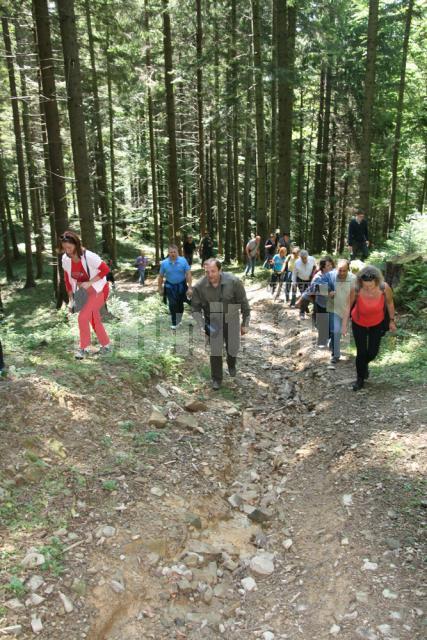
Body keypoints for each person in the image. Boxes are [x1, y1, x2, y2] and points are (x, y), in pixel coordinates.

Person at [191, 259, 250, 390]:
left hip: (232, 315)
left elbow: (244, 303)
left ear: (220, 270)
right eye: (207, 272)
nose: (210, 274)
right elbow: (195, 308)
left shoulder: (233, 282)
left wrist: (245, 322)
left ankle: (231, 363)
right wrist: (201, 324)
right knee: (216, 350)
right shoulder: (199, 286)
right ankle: (216, 378)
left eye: (213, 271)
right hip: (213, 320)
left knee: (232, 347)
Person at [343, 265, 396, 391]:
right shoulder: (356, 289)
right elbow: (347, 307)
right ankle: (360, 379)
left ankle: (364, 365)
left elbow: (390, 303)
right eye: (365, 285)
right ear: (360, 282)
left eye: (370, 285)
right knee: (361, 352)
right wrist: (344, 325)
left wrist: (392, 321)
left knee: (373, 352)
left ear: (376, 281)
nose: (367, 287)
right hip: (359, 322)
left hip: (377, 322)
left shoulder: (384, 288)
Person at [60, 230, 111, 359]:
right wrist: (71, 299)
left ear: (76, 245)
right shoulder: (65, 259)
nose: (67, 250)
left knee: (82, 317)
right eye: (64, 248)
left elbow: (106, 270)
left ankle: (83, 349)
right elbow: (67, 280)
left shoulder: (89, 256)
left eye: (69, 247)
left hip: (99, 289)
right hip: (83, 293)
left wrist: (89, 282)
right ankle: (106, 345)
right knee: (93, 318)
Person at [298, 256, 335, 346]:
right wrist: (329, 292)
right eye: (328, 265)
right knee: (323, 324)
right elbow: (316, 289)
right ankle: (323, 342)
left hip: (332, 304)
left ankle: (330, 342)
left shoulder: (333, 274)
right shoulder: (318, 277)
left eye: (331, 265)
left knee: (331, 325)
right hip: (321, 304)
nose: (330, 267)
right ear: (323, 267)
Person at [158, 244, 193, 329]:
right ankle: (174, 323)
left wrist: (189, 287)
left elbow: (188, 274)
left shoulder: (183, 260)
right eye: (171, 252)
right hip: (170, 286)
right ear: (168, 253)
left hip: (181, 285)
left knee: (180, 304)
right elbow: (161, 276)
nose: (173, 254)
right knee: (172, 304)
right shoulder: (164, 263)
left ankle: (179, 320)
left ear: (177, 252)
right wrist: (160, 288)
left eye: (174, 252)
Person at [291, 249, 316, 317]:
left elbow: (315, 267)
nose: (304, 260)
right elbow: (294, 274)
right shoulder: (297, 262)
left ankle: (306, 309)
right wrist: (294, 283)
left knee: (308, 295)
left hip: (310, 280)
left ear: (307, 256)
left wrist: (313, 276)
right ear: (300, 257)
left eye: (305, 258)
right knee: (304, 295)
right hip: (300, 280)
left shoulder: (312, 259)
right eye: (302, 258)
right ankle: (302, 313)